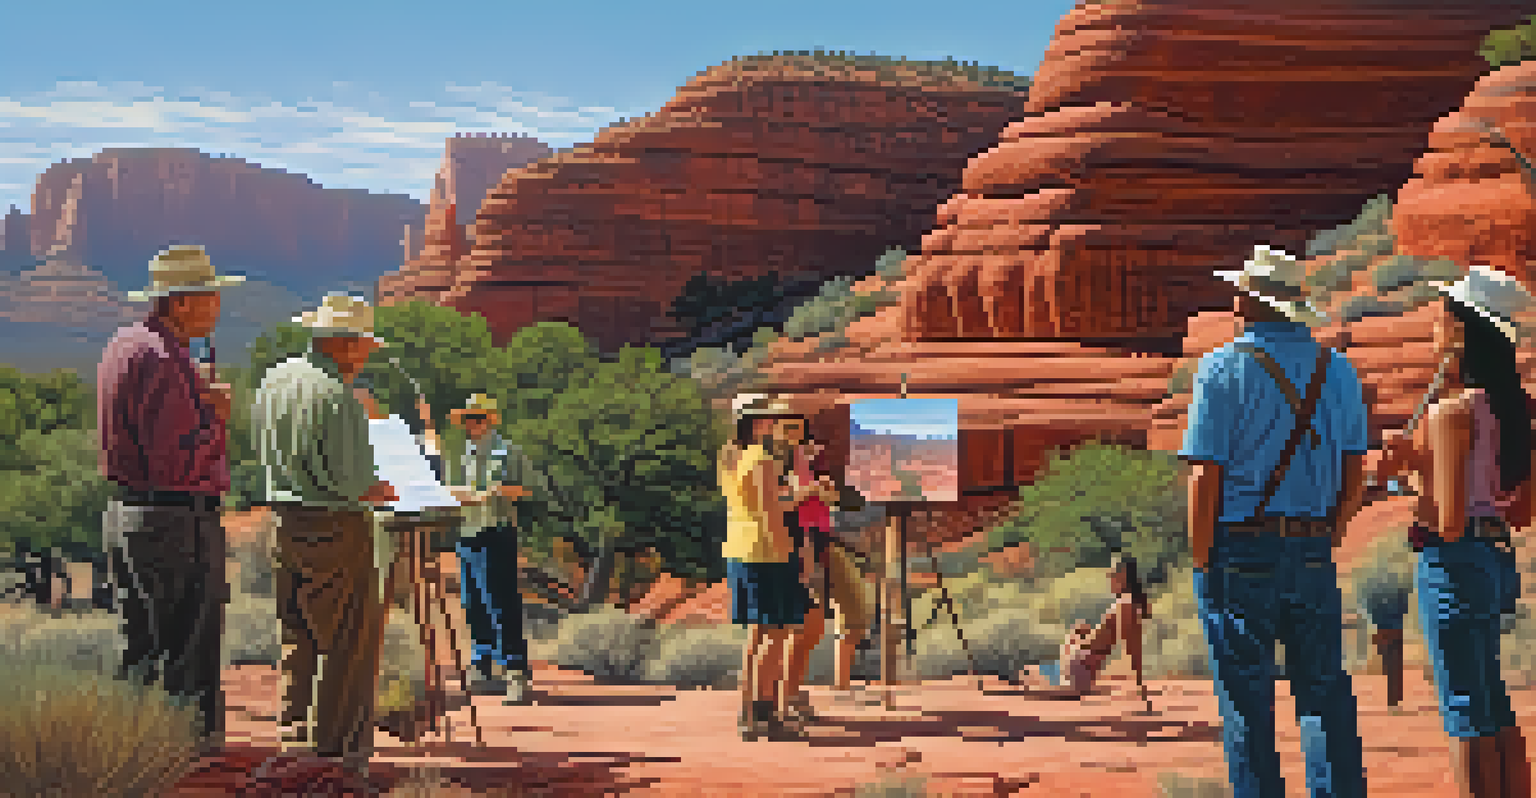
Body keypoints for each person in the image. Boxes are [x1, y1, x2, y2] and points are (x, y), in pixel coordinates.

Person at [1180, 245, 1370, 798]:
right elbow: (1356, 469)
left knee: (1247, 706)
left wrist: (1201, 562)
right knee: (1324, 698)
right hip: (1312, 549)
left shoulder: (1220, 368)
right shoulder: (1338, 370)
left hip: (1239, 554)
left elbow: (1204, 478)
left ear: (1246, 300)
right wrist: (1332, 530)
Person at [1374, 263, 1533, 798]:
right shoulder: (1519, 409)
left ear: (1464, 328)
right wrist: (1418, 463)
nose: (1434, 325)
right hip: (1496, 563)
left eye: (1443, 314)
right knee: (1493, 702)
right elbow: (1520, 514)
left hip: (1454, 566)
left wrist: (1401, 484)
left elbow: (1445, 520)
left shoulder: (1450, 412)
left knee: (1464, 709)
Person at [97, 244, 243, 752]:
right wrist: (216, 416)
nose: (217, 307)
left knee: (141, 643)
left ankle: (131, 750)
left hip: (130, 513)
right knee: (188, 645)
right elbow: (175, 461)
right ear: (179, 303)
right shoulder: (162, 358)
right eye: (210, 297)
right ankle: (186, 755)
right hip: (174, 518)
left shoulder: (126, 343)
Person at [253, 293, 395, 774]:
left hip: (284, 524)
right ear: (348, 346)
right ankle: (337, 753)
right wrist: (384, 487)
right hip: (335, 527)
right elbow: (356, 482)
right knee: (347, 642)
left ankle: (294, 736)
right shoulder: (339, 396)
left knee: (297, 636)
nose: (367, 355)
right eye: (365, 346)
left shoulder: (273, 382)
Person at [418, 393, 548, 705]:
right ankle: (483, 667)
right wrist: (458, 495)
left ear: (490, 419)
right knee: (472, 602)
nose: (472, 424)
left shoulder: (508, 452)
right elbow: (447, 486)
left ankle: (516, 672)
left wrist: (498, 491)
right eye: (468, 419)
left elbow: (531, 488)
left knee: (500, 603)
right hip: (467, 533)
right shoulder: (460, 455)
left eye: (478, 418)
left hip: (497, 532)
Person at [722, 394, 809, 740]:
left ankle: (748, 715)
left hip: (740, 550)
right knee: (775, 634)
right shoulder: (762, 459)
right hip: (767, 552)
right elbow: (773, 511)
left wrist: (791, 495)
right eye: (770, 419)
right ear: (757, 423)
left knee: (758, 635)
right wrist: (804, 495)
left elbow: (758, 502)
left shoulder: (730, 456)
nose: (774, 425)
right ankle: (765, 717)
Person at [1058, 555, 1151, 711]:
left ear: (1122, 576)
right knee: (1075, 634)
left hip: (1079, 668)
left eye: (1111, 574)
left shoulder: (1125, 604)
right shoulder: (1126, 603)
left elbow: (1130, 645)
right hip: (1081, 667)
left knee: (1071, 641)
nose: (1109, 578)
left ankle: (1058, 680)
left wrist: (1138, 685)